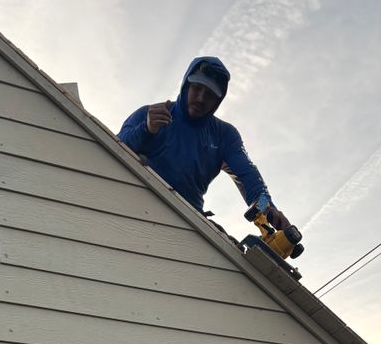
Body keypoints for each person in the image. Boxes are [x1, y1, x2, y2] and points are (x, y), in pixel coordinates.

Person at [118, 56, 289, 228]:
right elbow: (113, 149)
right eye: (197, 88)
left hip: (187, 221)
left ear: (218, 101)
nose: (200, 98)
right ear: (186, 86)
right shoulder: (151, 114)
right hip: (135, 205)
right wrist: (146, 129)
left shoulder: (224, 135)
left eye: (209, 95)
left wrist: (268, 208)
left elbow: (248, 176)